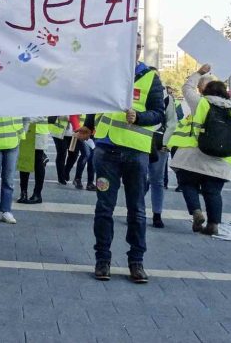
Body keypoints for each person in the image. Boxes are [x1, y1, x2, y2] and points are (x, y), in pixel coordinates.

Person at [75, 33, 165, 284]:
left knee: (136, 210)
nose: (133, 51)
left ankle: (136, 262)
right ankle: (102, 260)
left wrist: (140, 117)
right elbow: (96, 105)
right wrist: (88, 127)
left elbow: (158, 114)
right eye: (129, 46)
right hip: (106, 153)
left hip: (136, 154)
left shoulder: (150, 78)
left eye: (137, 47)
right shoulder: (106, 75)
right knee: (104, 208)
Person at [169, 64, 231, 237]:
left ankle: (196, 212)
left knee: (188, 184)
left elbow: (186, 88)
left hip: (194, 157)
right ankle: (213, 224)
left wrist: (199, 73)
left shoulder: (201, 103)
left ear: (205, 91)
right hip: (221, 160)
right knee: (213, 192)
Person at [146, 87, 178, 228]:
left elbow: (172, 122)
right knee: (140, 179)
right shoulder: (140, 91)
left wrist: (166, 142)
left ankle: (157, 214)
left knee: (156, 180)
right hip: (141, 139)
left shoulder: (167, 98)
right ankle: (136, 211)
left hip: (158, 142)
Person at [17, 121, 47, 204]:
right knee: (24, 160)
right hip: (27, 129)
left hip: (39, 131)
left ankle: (37, 194)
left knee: (38, 162)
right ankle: (23, 193)